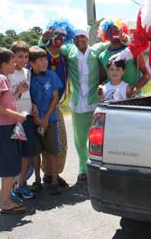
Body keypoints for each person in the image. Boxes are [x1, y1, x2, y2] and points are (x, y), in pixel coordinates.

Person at [40, 28, 108, 182]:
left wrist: (123, 38)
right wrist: (43, 39)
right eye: (76, 38)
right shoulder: (69, 50)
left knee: (97, 137)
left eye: (82, 37)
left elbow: (114, 44)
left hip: (95, 102)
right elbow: (49, 47)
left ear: (87, 38)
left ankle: (96, 166)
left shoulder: (96, 49)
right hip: (77, 103)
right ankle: (82, 168)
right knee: (79, 139)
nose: (79, 40)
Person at [0, 47, 26, 214]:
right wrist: (16, 115)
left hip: (6, 127)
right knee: (8, 165)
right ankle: (5, 201)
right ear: (4, 64)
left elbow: (5, 101)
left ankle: (5, 198)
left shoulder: (4, 79)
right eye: (13, 61)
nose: (16, 63)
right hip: (2, 128)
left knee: (9, 164)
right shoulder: (1, 78)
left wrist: (18, 93)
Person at [40, 20, 73, 187]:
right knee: (39, 145)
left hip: (56, 106)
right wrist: (41, 41)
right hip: (37, 107)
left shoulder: (64, 58)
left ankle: (54, 173)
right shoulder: (40, 53)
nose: (59, 38)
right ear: (50, 35)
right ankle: (42, 176)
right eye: (56, 34)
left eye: (63, 36)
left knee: (59, 143)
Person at [28, 46, 63, 195]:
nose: (44, 62)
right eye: (40, 60)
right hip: (33, 120)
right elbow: (27, 99)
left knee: (52, 151)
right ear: (31, 63)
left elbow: (55, 97)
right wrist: (36, 118)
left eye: (45, 59)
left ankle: (54, 179)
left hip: (51, 119)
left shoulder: (52, 76)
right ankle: (37, 180)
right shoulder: (28, 78)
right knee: (36, 152)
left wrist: (46, 118)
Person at [7, 41, 37, 199]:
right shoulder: (8, 74)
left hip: (27, 118)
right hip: (13, 119)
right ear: (13, 57)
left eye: (26, 56)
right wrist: (18, 91)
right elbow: (6, 100)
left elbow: (28, 93)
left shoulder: (27, 72)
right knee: (14, 154)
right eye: (20, 56)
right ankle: (8, 188)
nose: (23, 60)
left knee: (27, 153)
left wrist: (34, 105)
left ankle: (21, 184)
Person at [97, 17, 150, 96]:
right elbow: (103, 79)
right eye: (109, 30)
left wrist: (135, 88)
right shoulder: (102, 56)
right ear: (104, 33)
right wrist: (101, 87)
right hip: (112, 100)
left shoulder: (132, 51)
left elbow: (147, 74)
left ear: (122, 31)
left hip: (133, 99)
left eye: (116, 30)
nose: (113, 32)